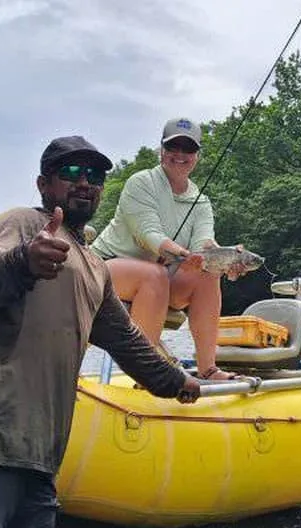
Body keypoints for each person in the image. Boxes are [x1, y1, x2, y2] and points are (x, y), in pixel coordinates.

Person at [0, 135, 201, 528]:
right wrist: (24, 261)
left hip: (42, 450)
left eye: (94, 175)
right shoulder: (22, 223)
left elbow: (124, 339)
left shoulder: (94, 266)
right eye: (71, 172)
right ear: (44, 184)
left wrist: (175, 381)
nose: (84, 182)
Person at [92, 118, 243, 381]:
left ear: (197, 156)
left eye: (188, 149)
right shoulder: (141, 182)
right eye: (174, 147)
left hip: (160, 279)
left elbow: (204, 245)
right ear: (161, 150)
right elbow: (150, 235)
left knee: (208, 274)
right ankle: (147, 373)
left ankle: (209, 369)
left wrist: (227, 259)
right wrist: (184, 255)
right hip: (102, 270)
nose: (180, 155)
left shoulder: (202, 201)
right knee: (154, 275)